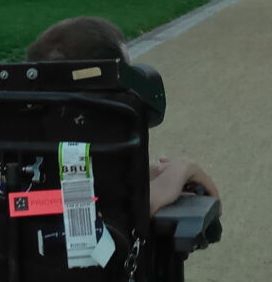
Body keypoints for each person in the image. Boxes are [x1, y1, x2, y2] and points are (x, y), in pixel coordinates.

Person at [26, 15, 217, 211]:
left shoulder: (22, 163)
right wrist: (181, 171)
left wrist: (142, 177)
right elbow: (116, 213)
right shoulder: (97, 199)